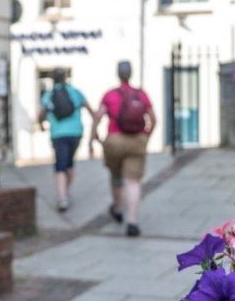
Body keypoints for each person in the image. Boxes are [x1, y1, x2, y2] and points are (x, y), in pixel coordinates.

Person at [92, 60, 155, 237]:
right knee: (132, 181)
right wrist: (146, 136)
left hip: (114, 141)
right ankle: (132, 221)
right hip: (137, 140)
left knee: (116, 175)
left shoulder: (110, 95)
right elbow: (153, 118)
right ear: (131, 73)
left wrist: (94, 136)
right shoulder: (141, 95)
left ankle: (118, 209)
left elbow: (98, 116)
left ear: (117, 73)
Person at [37, 68, 92, 213]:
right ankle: (65, 191)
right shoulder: (75, 92)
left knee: (60, 164)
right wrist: (95, 132)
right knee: (69, 163)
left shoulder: (49, 94)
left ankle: (62, 197)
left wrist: (41, 125)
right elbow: (90, 109)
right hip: (75, 132)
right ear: (65, 78)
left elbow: (42, 113)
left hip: (58, 134)